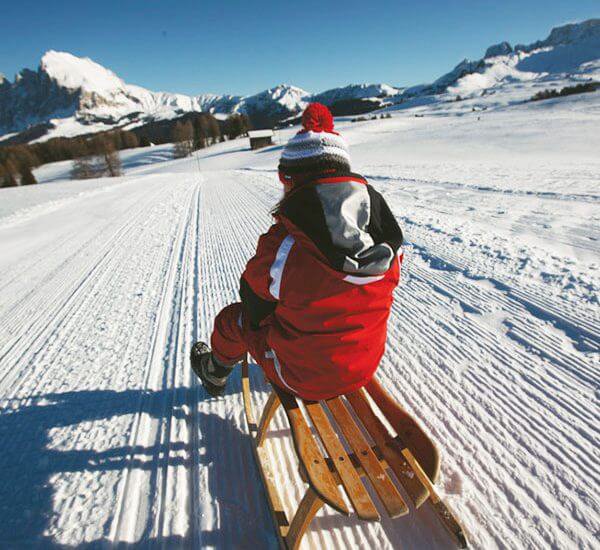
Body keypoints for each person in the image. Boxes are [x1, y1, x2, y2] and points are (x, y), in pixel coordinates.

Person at [191, 103, 403, 401]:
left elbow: (253, 305)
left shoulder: (285, 244)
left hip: (302, 380)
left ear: (289, 181)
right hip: (364, 368)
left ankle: (214, 371)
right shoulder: (382, 234)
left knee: (232, 320)